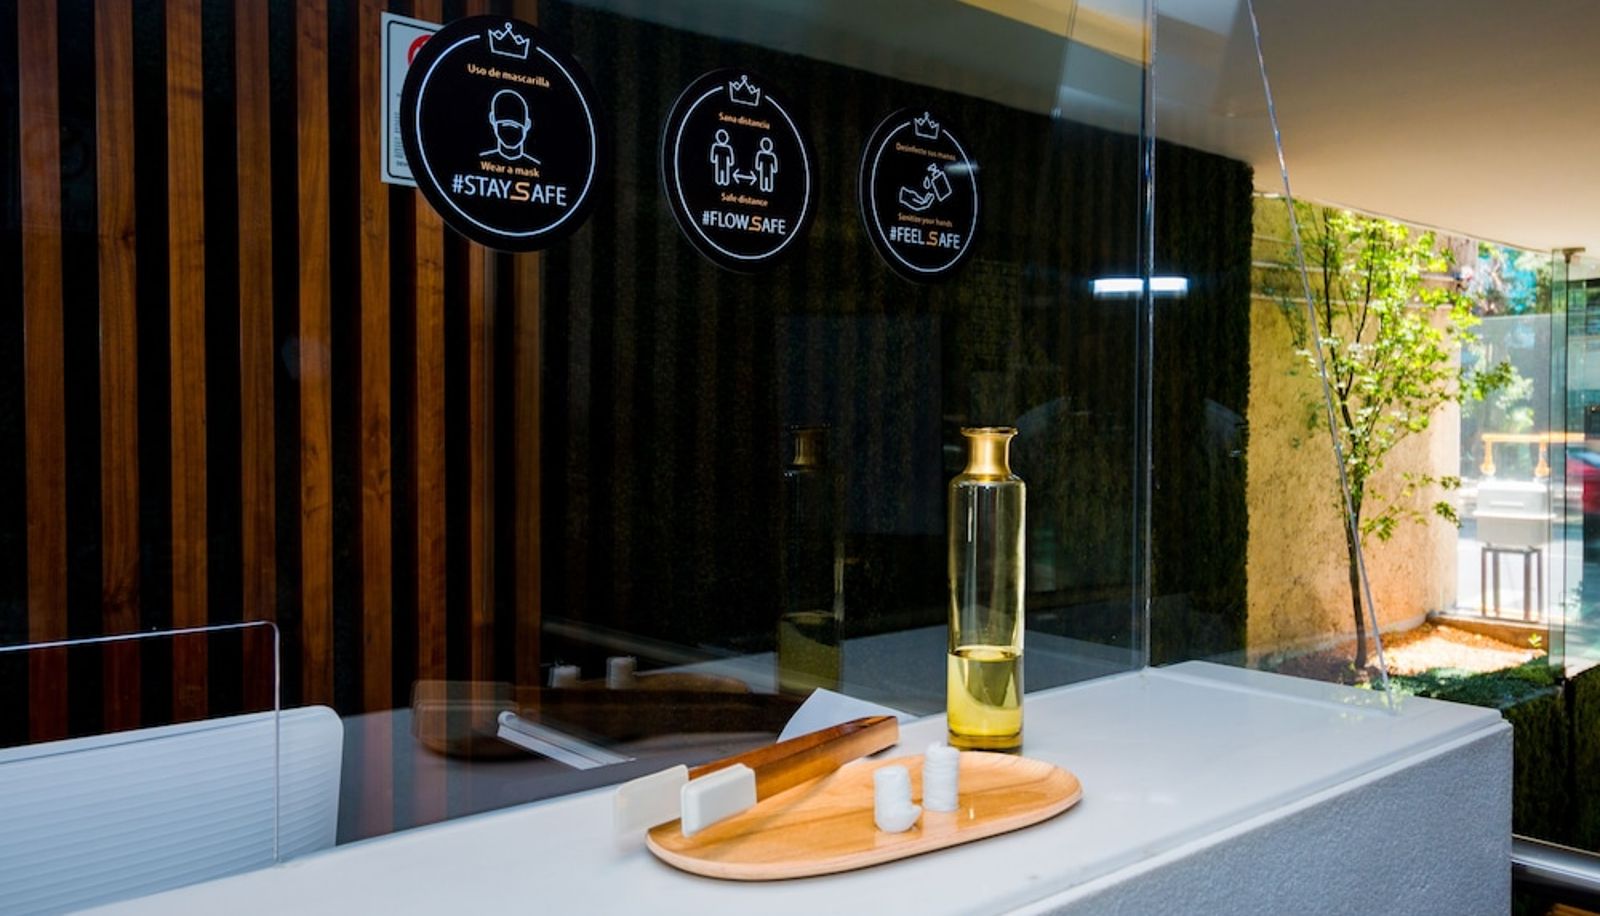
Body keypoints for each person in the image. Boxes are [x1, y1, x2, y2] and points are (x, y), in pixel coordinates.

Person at [481, 89, 541, 164]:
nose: (509, 131)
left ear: (528, 125)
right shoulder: (483, 159)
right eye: (504, 124)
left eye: (516, 126)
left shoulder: (534, 164)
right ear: (492, 119)